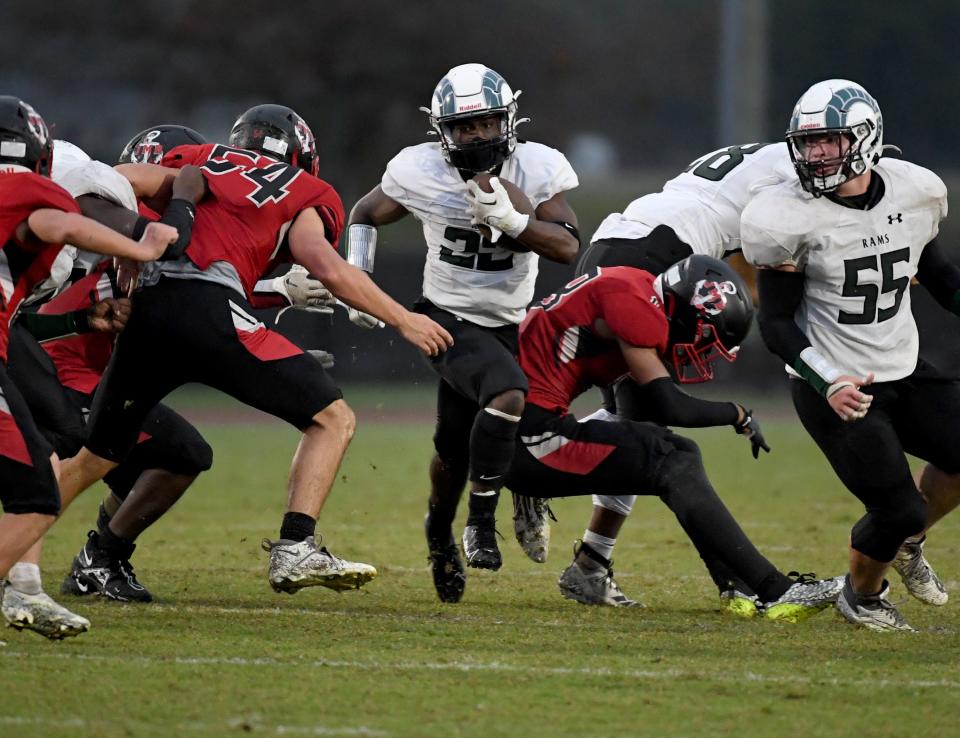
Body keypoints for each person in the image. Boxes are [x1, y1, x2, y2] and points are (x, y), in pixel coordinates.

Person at [54, 103, 452, 598]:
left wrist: (125, 248)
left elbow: (111, 179)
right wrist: (404, 319)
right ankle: (295, 547)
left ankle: (17, 555)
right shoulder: (307, 191)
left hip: (150, 312)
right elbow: (327, 266)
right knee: (333, 418)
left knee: (96, 456)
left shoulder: (197, 157)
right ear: (302, 156)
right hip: (209, 311)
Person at [347, 63, 580, 602]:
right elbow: (363, 211)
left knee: (453, 450)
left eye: (486, 124)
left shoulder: (537, 166)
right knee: (507, 393)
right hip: (445, 316)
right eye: (463, 127)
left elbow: (568, 245)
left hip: (508, 324)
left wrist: (516, 223)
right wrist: (356, 280)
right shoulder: (419, 170)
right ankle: (480, 521)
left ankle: (437, 532)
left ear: (509, 121)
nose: (476, 137)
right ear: (441, 130)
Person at [506, 254, 842, 621]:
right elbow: (668, 405)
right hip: (531, 439)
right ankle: (776, 590)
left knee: (668, 453)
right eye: (704, 335)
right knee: (674, 460)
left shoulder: (631, 283)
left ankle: (746, 582)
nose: (700, 347)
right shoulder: (637, 310)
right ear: (686, 312)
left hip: (518, 429)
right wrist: (738, 413)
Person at [742, 79, 960, 632]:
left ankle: (907, 543)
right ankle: (861, 596)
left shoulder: (915, 191)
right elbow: (774, 322)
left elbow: (936, 275)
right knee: (897, 506)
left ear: (865, 138)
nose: (815, 155)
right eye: (807, 144)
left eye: (829, 142)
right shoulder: (787, 215)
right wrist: (829, 381)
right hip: (836, 386)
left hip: (903, 368)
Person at [563, 141, 796, 610]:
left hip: (632, 241)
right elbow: (772, 264)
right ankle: (538, 447)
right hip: (645, 260)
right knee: (656, 435)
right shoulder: (799, 174)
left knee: (642, 427)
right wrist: (736, 413)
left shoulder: (771, 159)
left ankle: (590, 561)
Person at [0, 96, 175, 638]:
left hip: (9, 340)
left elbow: (24, 321)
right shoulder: (36, 190)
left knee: (54, 436)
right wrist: (140, 246)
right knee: (37, 494)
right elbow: (61, 224)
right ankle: (21, 585)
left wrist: (80, 321)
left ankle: (25, 586)